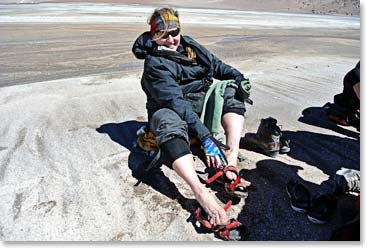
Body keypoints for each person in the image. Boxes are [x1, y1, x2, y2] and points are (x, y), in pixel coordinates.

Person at [132, 7, 250, 227]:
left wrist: (238, 78)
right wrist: (206, 138)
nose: (171, 39)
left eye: (174, 32)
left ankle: (229, 164)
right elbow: (175, 102)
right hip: (170, 108)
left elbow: (216, 66)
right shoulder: (154, 64)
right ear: (153, 35)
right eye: (163, 34)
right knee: (169, 120)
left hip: (199, 106)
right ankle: (200, 192)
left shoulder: (189, 45)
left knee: (230, 88)